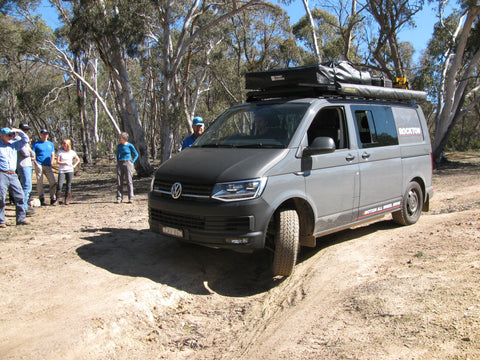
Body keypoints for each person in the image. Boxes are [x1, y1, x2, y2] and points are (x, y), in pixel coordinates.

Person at [0, 127, 29, 227]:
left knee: (20, 196)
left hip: (13, 174)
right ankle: (1, 221)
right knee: (1, 198)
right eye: (8, 135)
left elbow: (25, 140)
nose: (11, 137)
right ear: (2, 135)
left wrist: (19, 131)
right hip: (1, 174)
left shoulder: (14, 145)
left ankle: (21, 219)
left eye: (12, 135)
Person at [32, 129, 57, 206]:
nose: (45, 135)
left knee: (52, 181)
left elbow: (52, 154)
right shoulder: (36, 144)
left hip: (48, 165)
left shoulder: (50, 144)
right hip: (39, 164)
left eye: (46, 134)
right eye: (44, 134)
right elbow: (32, 154)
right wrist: (36, 163)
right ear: (41, 135)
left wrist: (52, 162)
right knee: (40, 182)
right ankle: (41, 197)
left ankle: (53, 197)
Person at [52, 139, 80, 206]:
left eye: (64, 143)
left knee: (68, 185)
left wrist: (73, 166)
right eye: (63, 143)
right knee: (59, 184)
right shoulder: (60, 152)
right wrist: (64, 163)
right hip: (62, 170)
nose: (63, 145)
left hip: (69, 170)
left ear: (68, 144)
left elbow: (78, 159)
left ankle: (67, 199)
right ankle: (57, 199)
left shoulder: (72, 152)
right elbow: (57, 161)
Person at [16, 123, 35, 216]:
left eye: (27, 130)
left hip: (27, 165)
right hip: (23, 165)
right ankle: (23, 208)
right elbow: (26, 153)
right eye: (24, 130)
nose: (26, 132)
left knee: (27, 186)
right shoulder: (18, 139)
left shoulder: (24, 141)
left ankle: (25, 207)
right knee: (26, 187)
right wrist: (30, 151)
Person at [116, 132, 138, 204]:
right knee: (119, 181)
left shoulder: (129, 145)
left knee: (129, 181)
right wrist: (118, 162)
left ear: (125, 138)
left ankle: (131, 197)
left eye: (121, 137)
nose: (119, 139)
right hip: (120, 163)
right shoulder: (119, 146)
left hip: (128, 163)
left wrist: (132, 162)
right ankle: (119, 197)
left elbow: (136, 154)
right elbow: (117, 155)